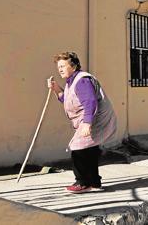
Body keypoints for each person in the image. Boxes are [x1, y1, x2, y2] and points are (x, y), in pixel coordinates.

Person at [47, 52, 117, 193]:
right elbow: (66, 99)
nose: (59, 69)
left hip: (95, 119)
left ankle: (82, 182)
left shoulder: (82, 81)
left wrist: (87, 123)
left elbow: (90, 102)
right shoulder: (71, 82)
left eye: (63, 66)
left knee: (78, 148)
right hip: (91, 119)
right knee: (89, 150)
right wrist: (55, 88)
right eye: (58, 66)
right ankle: (94, 183)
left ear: (73, 66)